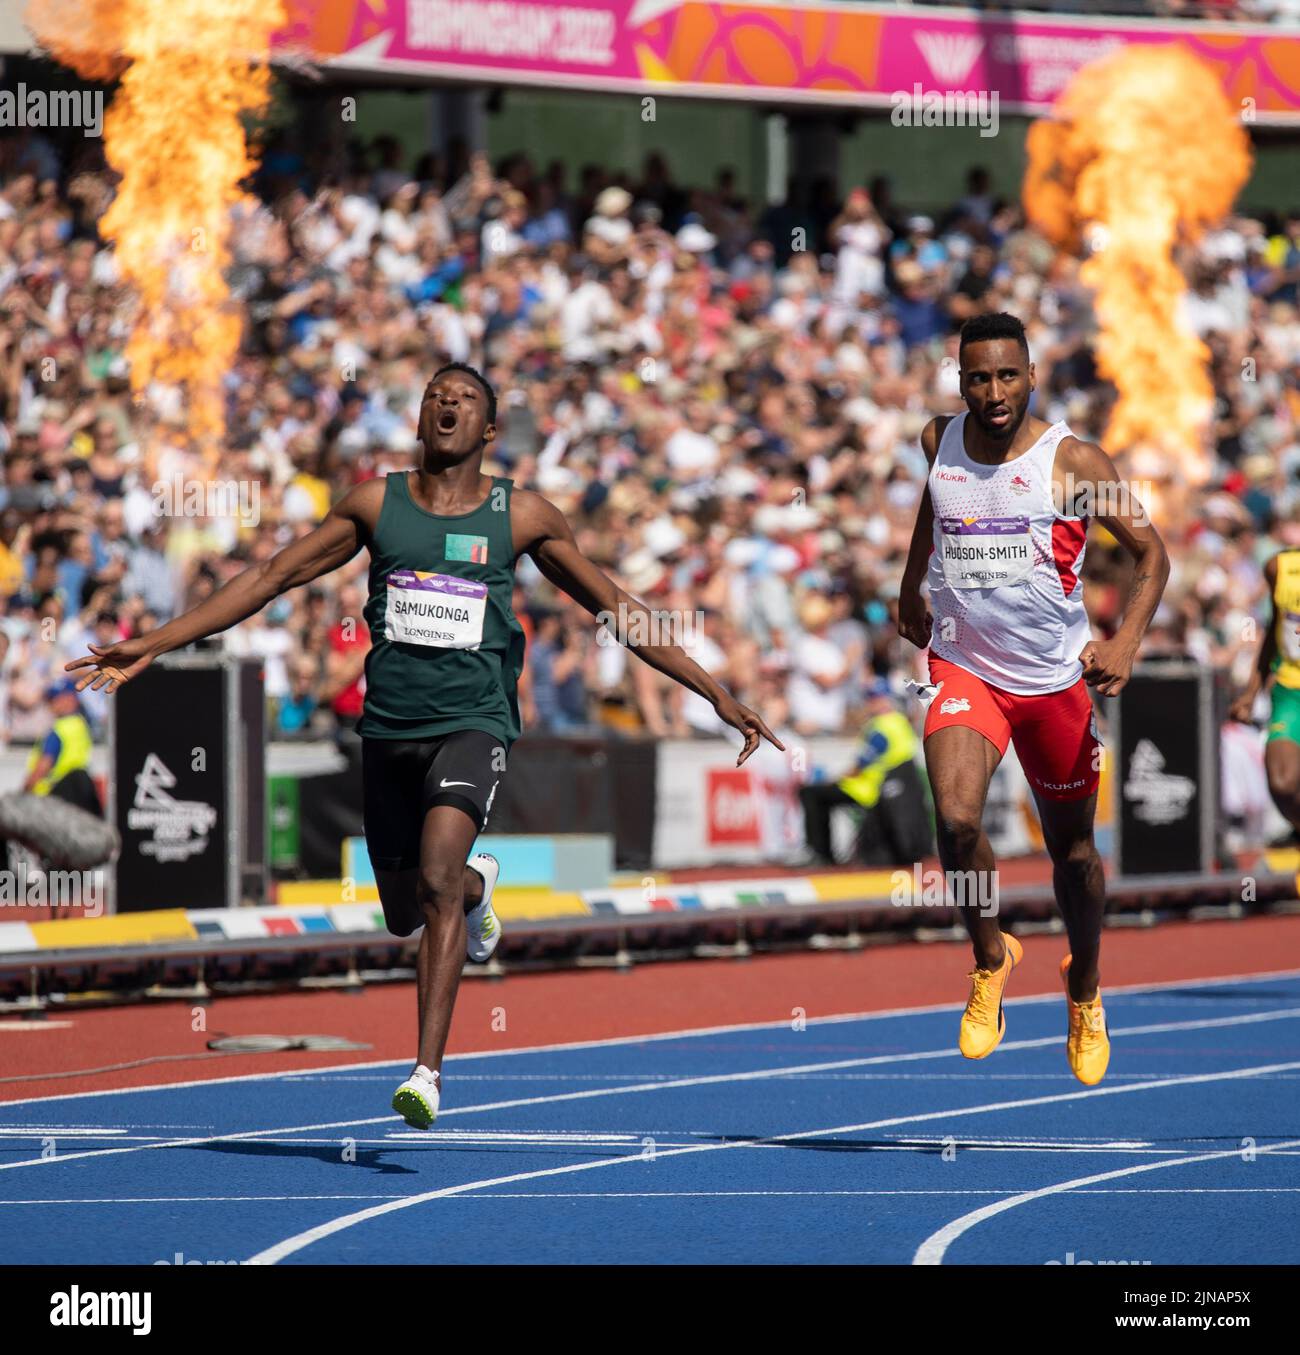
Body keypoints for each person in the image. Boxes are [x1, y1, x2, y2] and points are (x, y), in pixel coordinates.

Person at [67, 363, 782, 1129]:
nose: (448, 402)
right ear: (418, 417)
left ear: (490, 429)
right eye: (437, 394)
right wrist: (157, 643)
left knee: (437, 872)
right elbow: (272, 576)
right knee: (406, 911)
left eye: (466, 397)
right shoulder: (378, 504)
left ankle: (426, 1071)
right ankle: (479, 892)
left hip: (474, 724)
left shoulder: (523, 516)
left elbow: (620, 609)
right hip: (388, 731)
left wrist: (715, 692)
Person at [897, 313, 1169, 1086]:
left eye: (1007, 375)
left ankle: (1084, 984)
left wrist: (1125, 642)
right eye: (978, 378)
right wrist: (910, 582)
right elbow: (935, 505)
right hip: (965, 667)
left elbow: (1152, 553)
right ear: (960, 382)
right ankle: (991, 954)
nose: (993, 392)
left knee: (1073, 857)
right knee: (953, 818)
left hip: (1052, 682)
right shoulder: (936, 441)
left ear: (1031, 376)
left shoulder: (1072, 461)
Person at [797, 677, 929, 866]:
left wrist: (834, 779)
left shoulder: (881, 726)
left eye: (875, 698)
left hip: (869, 789)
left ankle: (820, 853)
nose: (871, 702)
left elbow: (861, 765)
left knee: (812, 793)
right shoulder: (899, 722)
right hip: (892, 788)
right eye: (870, 698)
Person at [1229, 549, 1300, 847]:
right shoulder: (1279, 568)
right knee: (1282, 784)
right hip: (1290, 689)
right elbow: (1275, 629)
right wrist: (1250, 692)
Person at [23, 677, 101, 815]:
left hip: (50, 800)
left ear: (69, 699)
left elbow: (43, 766)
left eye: (54, 699)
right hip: (76, 798)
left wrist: (23, 793)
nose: (51, 704)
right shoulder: (81, 726)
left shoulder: (59, 730)